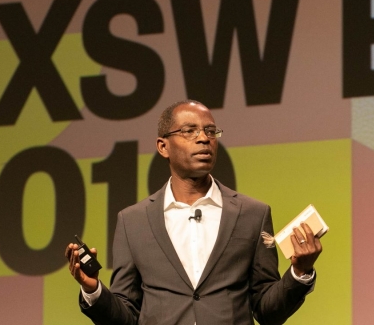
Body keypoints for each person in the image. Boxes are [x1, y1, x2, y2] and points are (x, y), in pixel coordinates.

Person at [65, 100, 323, 325]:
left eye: (211, 131)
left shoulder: (253, 215)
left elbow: (267, 312)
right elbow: (127, 315)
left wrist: (299, 273)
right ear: (163, 146)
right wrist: (94, 290)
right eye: (190, 131)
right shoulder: (133, 221)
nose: (204, 138)